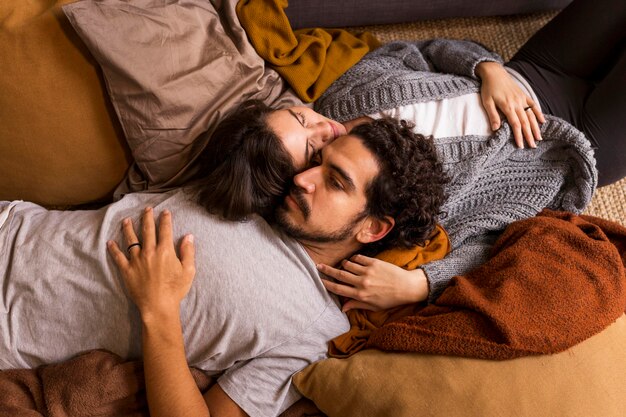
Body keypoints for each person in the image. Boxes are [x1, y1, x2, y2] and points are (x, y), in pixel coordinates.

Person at [0, 118, 447, 416]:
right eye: (318, 162)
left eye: (335, 182)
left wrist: (160, 313)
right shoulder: (254, 186)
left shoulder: (311, 330)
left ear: (372, 228)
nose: (303, 179)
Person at [196, 0, 620, 310]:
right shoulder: (394, 205)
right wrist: (422, 284)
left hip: (530, 69)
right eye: (313, 150)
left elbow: (425, 51)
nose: (326, 128)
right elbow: (494, 248)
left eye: (299, 117)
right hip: (579, 142)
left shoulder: (343, 100)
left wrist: (486, 69)